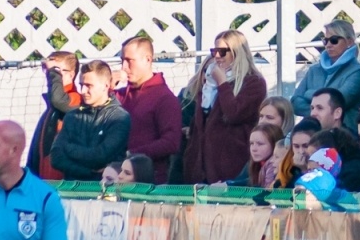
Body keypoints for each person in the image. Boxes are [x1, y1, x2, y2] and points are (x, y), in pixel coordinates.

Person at [181, 30, 267, 185]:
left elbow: (233, 113)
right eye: (214, 51)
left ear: (237, 53)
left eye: (222, 52)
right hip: (201, 168)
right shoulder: (208, 83)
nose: (217, 56)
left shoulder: (253, 82)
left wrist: (222, 83)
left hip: (231, 164)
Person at [115, 36, 183, 184]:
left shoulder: (165, 98)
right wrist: (107, 83)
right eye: (122, 61)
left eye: (129, 61)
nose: (124, 68)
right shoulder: (119, 95)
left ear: (147, 59)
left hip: (148, 180)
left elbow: (171, 142)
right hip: (116, 176)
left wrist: (133, 154)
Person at [49, 61, 131, 181]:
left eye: (89, 85)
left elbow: (100, 156)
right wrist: (88, 172)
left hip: (105, 191)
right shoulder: (72, 116)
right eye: (81, 84)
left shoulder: (119, 117)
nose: (82, 90)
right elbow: (56, 158)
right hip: (71, 191)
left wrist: (68, 148)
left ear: (106, 86)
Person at [291, 20, 360, 131]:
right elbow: (295, 102)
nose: (329, 45)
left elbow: (339, 100)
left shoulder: (358, 72)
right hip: (313, 133)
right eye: (325, 41)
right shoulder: (314, 70)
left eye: (334, 40)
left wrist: (308, 94)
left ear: (349, 42)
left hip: (344, 135)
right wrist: (319, 113)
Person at [28, 51, 81, 180]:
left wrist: (53, 72)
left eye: (56, 71)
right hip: (46, 181)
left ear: (71, 74)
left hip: (65, 184)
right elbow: (37, 150)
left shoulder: (76, 99)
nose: (50, 75)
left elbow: (59, 101)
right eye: (48, 71)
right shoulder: (51, 109)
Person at [277, 117, 321, 190]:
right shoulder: (288, 168)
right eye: (296, 146)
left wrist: (304, 170)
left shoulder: (327, 166)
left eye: (305, 146)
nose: (301, 151)